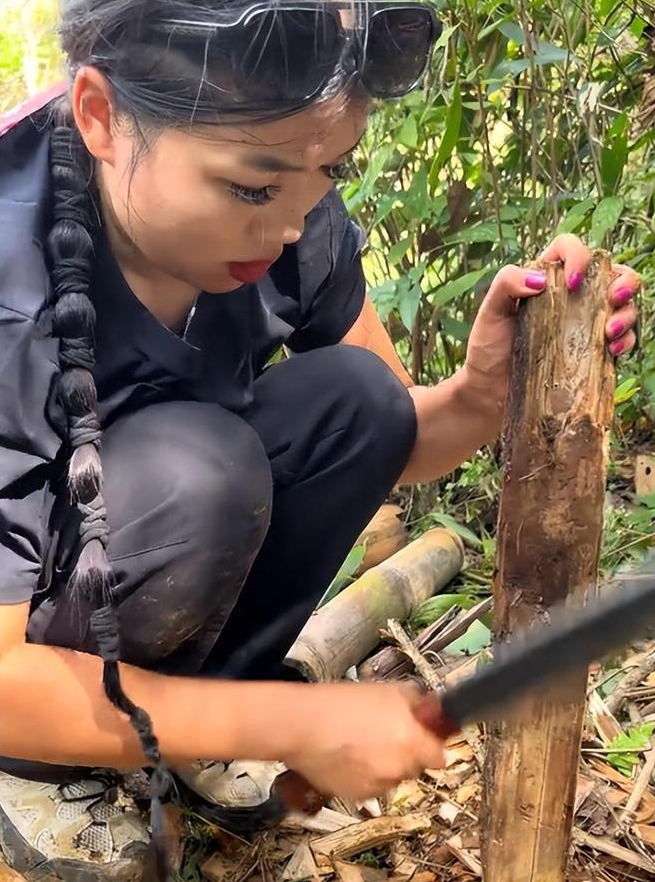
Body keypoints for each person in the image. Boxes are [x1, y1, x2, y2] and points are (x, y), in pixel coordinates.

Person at [0, 1, 639, 880]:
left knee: (356, 396)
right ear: (101, 117)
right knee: (200, 475)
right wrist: (288, 722)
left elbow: (392, 437)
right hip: (29, 642)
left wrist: (483, 390)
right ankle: (37, 772)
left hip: (139, 543)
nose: (294, 227)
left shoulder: (290, 211)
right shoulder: (11, 280)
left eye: (328, 173)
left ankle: (193, 722)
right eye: (252, 188)